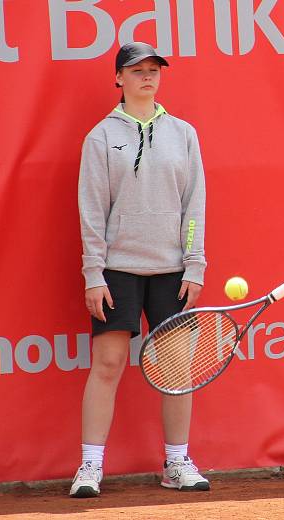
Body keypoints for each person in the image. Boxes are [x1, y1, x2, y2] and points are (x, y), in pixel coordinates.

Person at [70, 42, 209, 498]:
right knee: (108, 364)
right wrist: (94, 272)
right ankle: (90, 467)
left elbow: (194, 207)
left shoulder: (184, 134)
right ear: (119, 79)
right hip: (117, 270)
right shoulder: (99, 137)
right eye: (137, 71)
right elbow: (92, 210)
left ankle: (176, 462)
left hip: (172, 270)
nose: (148, 77)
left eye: (154, 70)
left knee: (175, 369)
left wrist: (194, 263)